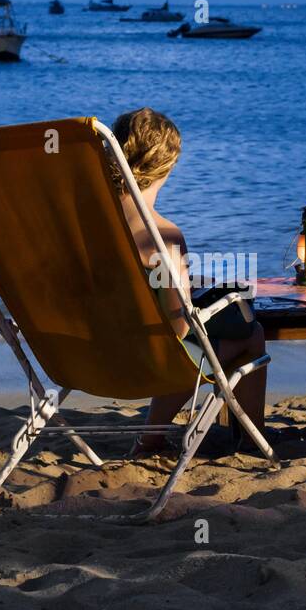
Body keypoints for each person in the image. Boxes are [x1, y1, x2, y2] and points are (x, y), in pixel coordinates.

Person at [108, 108, 268, 454]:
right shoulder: (163, 235)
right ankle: (252, 441)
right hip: (149, 361)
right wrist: (192, 295)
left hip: (90, 354)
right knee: (250, 333)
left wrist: (177, 281)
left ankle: (152, 438)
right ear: (167, 168)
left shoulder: (85, 223)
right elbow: (178, 328)